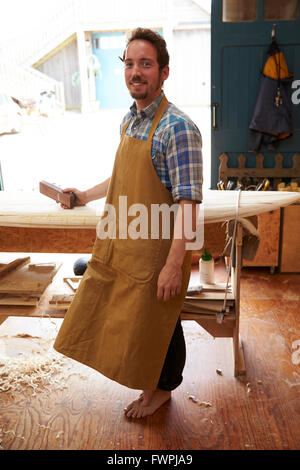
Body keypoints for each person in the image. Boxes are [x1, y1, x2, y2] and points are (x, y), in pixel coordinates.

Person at [54, 28, 203, 419]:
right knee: (124, 308)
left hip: (158, 249)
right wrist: (84, 196)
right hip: (128, 240)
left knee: (160, 319)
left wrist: (175, 264)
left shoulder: (178, 128)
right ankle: (146, 381)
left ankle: (161, 391)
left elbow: (188, 204)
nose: (136, 72)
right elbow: (120, 173)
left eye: (146, 64)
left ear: (164, 72)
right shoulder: (131, 120)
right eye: (130, 64)